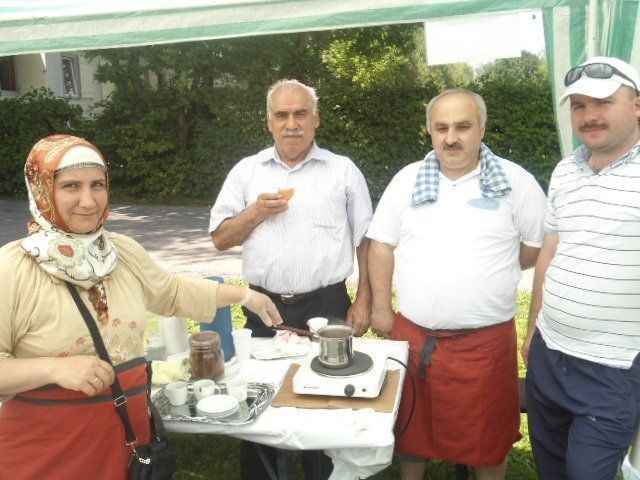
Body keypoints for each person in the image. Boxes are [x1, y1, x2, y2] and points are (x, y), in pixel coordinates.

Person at [0, 134, 282, 480]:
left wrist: (244, 296)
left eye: (97, 185)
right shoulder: (12, 268)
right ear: (43, 190)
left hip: (125, 444)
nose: (88, 201)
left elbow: (172, 292)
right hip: (48, 455)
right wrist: (53, 369)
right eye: (71, 186)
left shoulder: (121, 252)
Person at [367, 88, 546, 480]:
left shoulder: (517, 182)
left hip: (485, 346)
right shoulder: (406, 180)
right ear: (430, 131)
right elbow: (380, 244)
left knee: (488, 442)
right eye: (441, 128)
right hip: (415, 339)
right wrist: (380, 306)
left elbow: (536, 248)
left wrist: (494, 268)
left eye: (462, 127)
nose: (451, 138)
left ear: (482, 129)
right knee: (412, 435)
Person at [209, 79, 373, 479]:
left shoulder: (342, 170)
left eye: (301, 113)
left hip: (328, 304)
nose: (291, 123)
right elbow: (220, 238)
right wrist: (255, 213)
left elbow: (366, 241)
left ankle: (325, 472)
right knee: (259, 401)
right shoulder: (247, 171)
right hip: (263, 306)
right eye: (282, 115)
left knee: (327, 401)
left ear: (316, 119)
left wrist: (366, 299)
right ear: (269, 122)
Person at [522, 56, 640, 480]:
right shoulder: (565, 170)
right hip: (550, 353)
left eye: (603, 102)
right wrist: (533, 328)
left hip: (614, 366)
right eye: (579, 106)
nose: (589, 116)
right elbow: (550, 251)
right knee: (550, 469)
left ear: (637, 106)